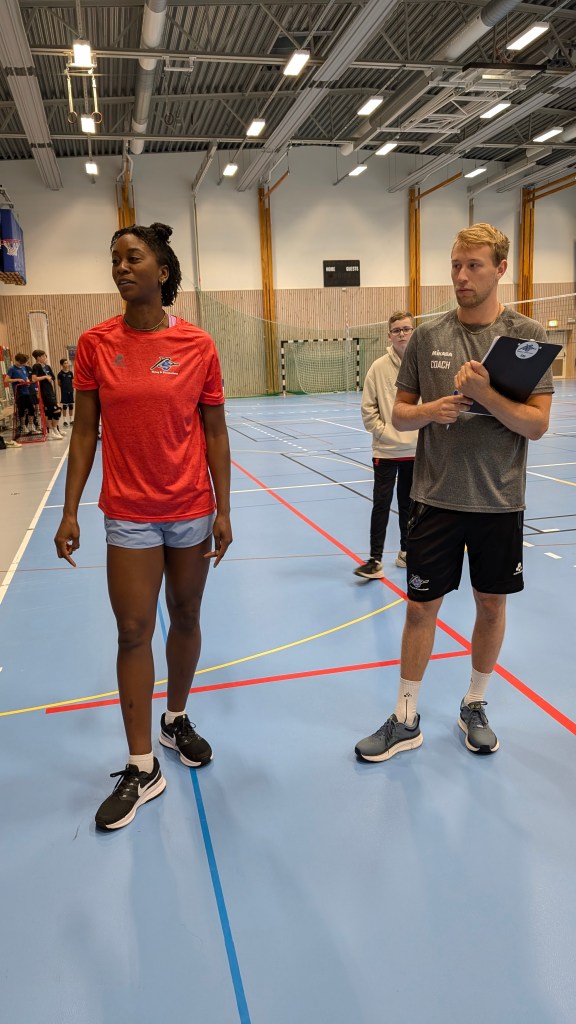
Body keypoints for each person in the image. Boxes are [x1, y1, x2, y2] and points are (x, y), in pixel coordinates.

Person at [54, 222, 232, 832]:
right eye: (115, 259)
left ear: (163, 271)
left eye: (133, 258)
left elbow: (214, 432)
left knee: (186, 615)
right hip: (128, 511)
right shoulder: (95, 344)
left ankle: (175, 719)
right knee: (133, 630)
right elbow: (84, 432)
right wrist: (71, 508)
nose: (121, 267)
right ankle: (140, 765)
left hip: (190, 509)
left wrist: (224, 509)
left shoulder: (198, 345)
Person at [355, 222, 554, 762]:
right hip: (435, 498)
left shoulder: (526, 336)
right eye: (456, 266)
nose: (461, 276)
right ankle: (405, 717)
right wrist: (431, 410)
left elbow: (536, 425)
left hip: (499, 500)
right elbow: (400, 413)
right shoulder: (428, 336)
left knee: (490, 605)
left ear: (500, 269)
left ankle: (474, 703)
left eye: (474, 266)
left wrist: (485, 395)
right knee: (420, 608)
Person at [353, 311, 418, 578]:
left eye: (406, 329)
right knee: (381, 504)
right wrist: (384, 432)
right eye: (396, 330)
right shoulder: (378, 368)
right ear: (389, 335)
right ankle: (375, 560)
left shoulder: (422, 364)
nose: (402, 334)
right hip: (386, 450)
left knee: (409, 504)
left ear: (413, 332)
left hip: (415, 450)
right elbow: (368, 409)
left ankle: (406, 552)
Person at [31, 350, 64, 440]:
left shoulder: (47, 366)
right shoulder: (36, 366)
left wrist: (49, 377)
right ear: (38, 358)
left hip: (50, 391)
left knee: (50, 412)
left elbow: (52, 377)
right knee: (57, 410)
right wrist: (45, 377)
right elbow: (34, 379)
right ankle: (52, 430)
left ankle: (54, 430)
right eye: (43, 356)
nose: (45, 358)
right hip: (44, 392)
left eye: (45, 356)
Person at [7, 353, 40, 438]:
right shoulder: (11, 369)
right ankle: (23, 426)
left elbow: (26, 377)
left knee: (31, 409)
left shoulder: (24, 368)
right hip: (19, 393)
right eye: (21, 363)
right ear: (17, 361)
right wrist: (17, 380)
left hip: (27, 391)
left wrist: (27, 381)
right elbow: (6, 380)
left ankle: (31, 425)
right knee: (21, 410)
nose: (22, 364)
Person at [57, 358, 74, 426]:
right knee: (64, 406)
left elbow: (72, 381)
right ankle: (65, 421)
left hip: (71, 391)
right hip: (64, 392)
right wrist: (64, 388)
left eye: (67, 363)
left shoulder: (70, 373)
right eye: (65, 363)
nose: (66, 364)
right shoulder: (60, 374)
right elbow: (59, 383)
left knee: (71, 406)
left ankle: (71, 420)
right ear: (62, 364)